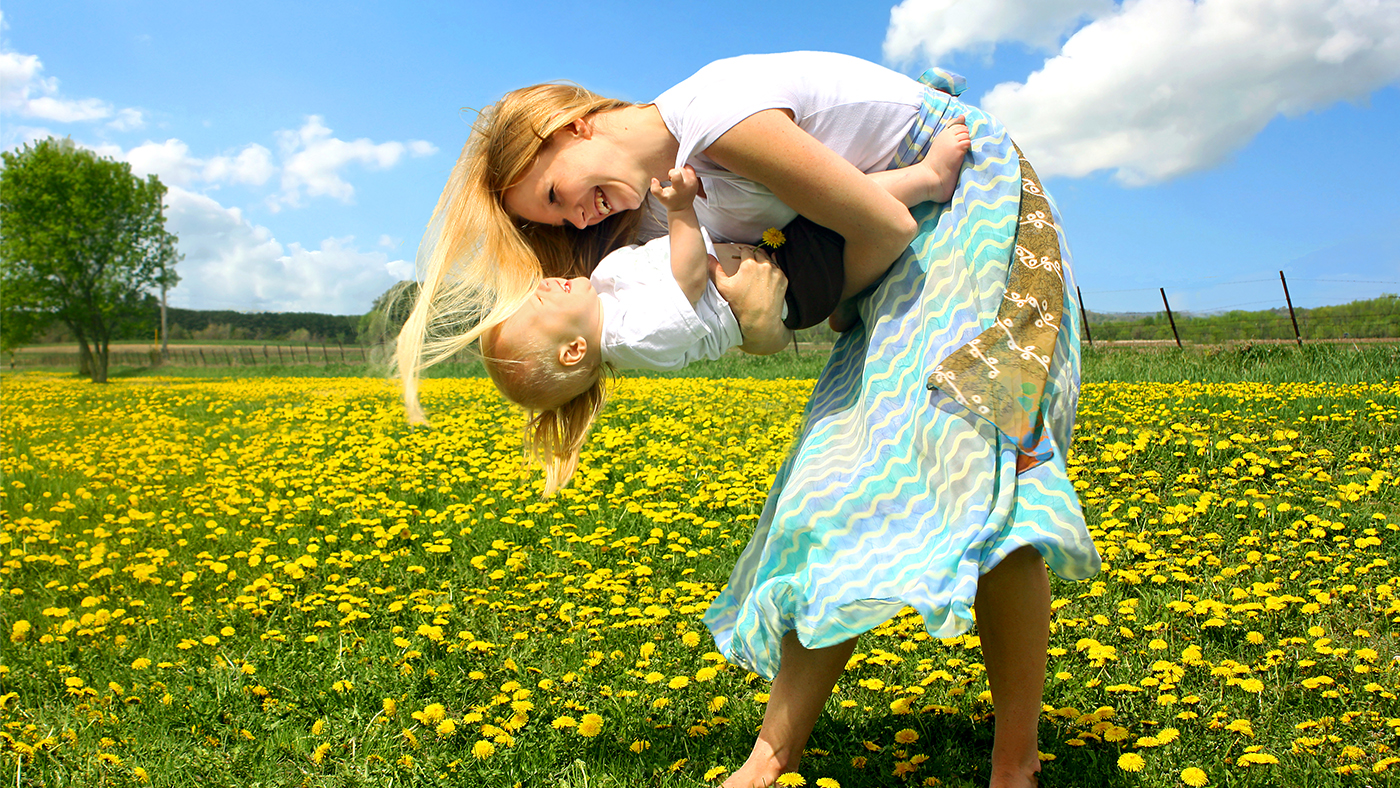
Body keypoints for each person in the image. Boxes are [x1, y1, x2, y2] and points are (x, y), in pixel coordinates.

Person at [396, 51, 1102, 788]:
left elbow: (884, 222)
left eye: (555, 192)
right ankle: (769, 759)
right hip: (885, 243)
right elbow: (739, 312)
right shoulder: (646, 204)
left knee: (978, 455)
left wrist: (821, 312)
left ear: (570, 127)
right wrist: (775, 321)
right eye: (555, 217)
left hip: (962, 205)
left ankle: (1014, 766)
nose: (577, 218)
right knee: (826, 485)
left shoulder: (717, 117)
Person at [480, 125, 971, 495]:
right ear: (574, 351)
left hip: (771, 261)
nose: (544, 285)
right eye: (540, 303)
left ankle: (850, 305)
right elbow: (688, 280)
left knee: (819, 223)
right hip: (791, 286)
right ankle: (928, 179)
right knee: (835, 216)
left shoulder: (605, 296)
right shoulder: (632, 337)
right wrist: (680, 210)